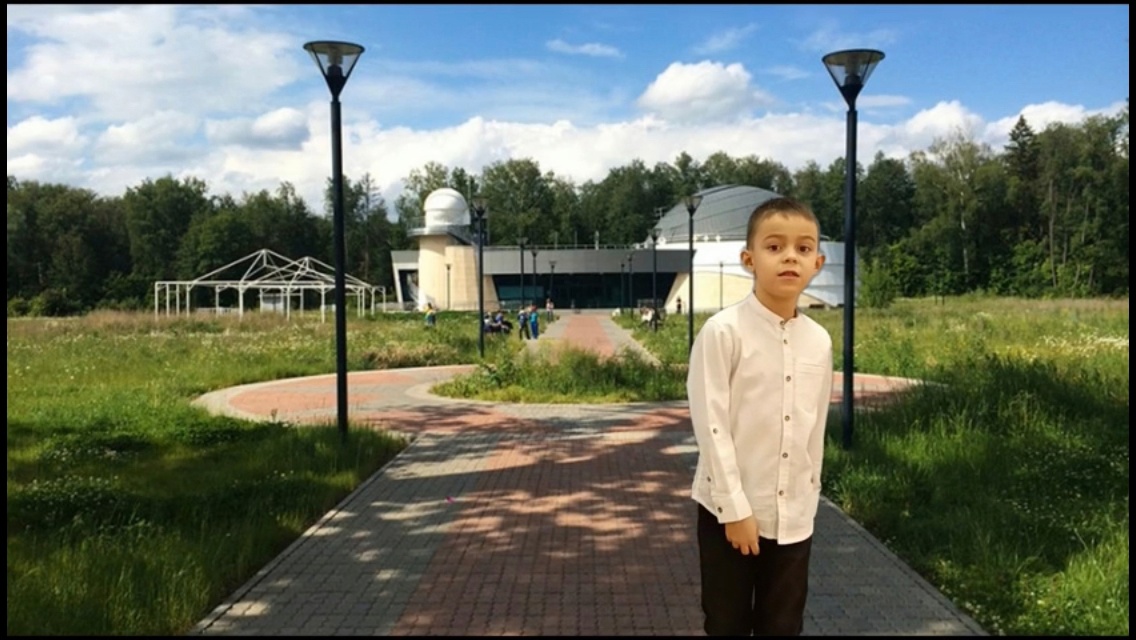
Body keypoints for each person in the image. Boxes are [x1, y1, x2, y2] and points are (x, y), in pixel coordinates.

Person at [686, 196, 832, 637]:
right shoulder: (723, 332)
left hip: (793, 516)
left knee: (783, 625)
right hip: (728, 510)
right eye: (774, 246)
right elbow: (712, 425)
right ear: (748, 259)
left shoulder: (819, 341)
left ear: (818, 263)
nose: (790, 256)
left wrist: (809, 497)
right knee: (726, 623)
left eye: (803, 248)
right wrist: (733, 508)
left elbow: (815, 428)